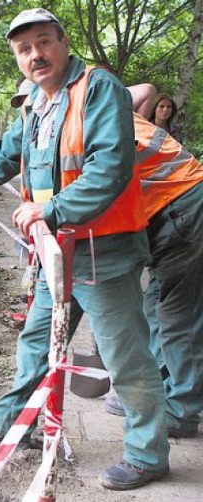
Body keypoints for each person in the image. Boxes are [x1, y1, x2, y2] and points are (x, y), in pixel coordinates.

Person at [0, 8, 170, 491]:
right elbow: (0, 158)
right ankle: (15, 423)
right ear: (18, 59)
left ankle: (146, 454)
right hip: (58, 252)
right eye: (24, 49)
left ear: (63, 43)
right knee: (36, 341)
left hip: (104, 251)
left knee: (127, 358)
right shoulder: (35, 103)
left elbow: (110, 169)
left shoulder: (98, 89)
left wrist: (50, 210)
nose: (36, 55)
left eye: (43, 42)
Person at [101, 84, 202, 439]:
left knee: (179, 315)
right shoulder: (109, 102)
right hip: (171, 209)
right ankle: (159, 387)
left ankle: (183, 410)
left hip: (182, 207)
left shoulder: (86, 113)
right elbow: (146, 89)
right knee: (156, 305)